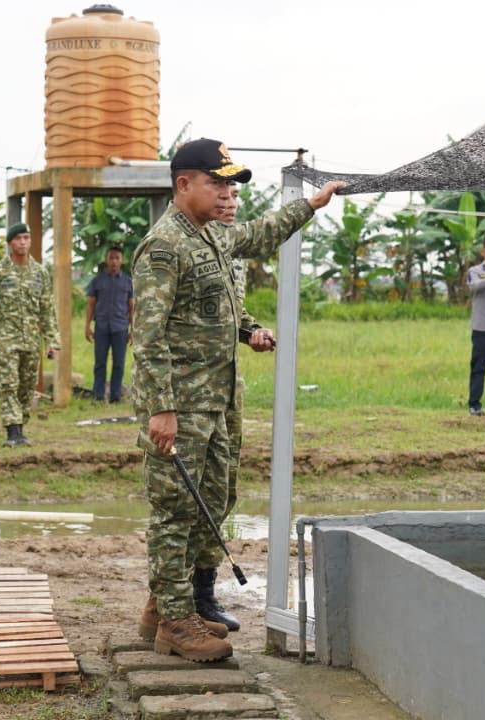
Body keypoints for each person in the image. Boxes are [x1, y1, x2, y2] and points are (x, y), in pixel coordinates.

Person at [131, 137, 344, 662]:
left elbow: (258, 236)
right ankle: (176, 625)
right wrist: (161, 409)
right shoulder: (165, 247)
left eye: (231, 184)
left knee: (214, 501)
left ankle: (168, 605)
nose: (228, 193)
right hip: (180, 404)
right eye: (217, 182)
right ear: (184, 184)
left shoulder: (213, 236)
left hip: (220, 397)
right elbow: (150, 337)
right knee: (174, 510)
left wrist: (310, 205)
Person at [188, 183, 275, 633]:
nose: (229, 203)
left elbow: (232, 315)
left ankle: (201, 595)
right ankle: (177, 602)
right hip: (188, 393)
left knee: (221, 490)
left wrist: (253, 331)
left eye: (235, 197)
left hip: (225, 386)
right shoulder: (179, 246)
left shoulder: (230, 254)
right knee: (187, 497)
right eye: (220, 191)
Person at [0, 223, 61, 447]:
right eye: (18, 239)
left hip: (32, 340)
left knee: (27, 385)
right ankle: (12, 431)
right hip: (6, 338)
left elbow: (47, 309)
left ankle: (21, 426)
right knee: (8, 383)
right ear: (10, 243)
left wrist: (53, 341)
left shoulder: (40, 273)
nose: (23, 242)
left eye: (26, 238)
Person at [84, 246, 134, 403]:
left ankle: (116, 395)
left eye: (117, 258)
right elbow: (91, 304)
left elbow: (132, 307)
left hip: (120, 328)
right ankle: (98, 395)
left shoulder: (128, 282)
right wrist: (87, 327)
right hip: (102, 328)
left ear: (122, 261)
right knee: (100, 363)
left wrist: (133, 329)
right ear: (106, 260)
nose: (114, 261)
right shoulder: (97, 281)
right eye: (111, 258)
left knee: (119, 364)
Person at [466, 236, 485, 416]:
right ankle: (474, 404)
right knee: (479, 367)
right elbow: (474, 287)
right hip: (482, 328)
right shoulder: (475, 271)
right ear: (483, 252)